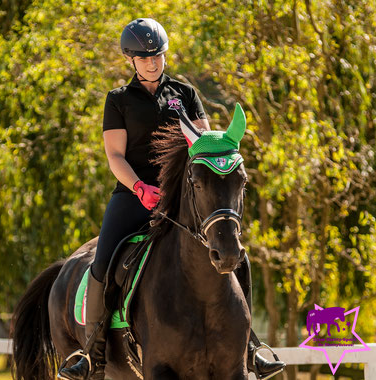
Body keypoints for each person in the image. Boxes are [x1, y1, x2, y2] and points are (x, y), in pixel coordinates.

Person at [58, 18, 285, 380]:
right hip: (135, 195)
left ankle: (251, 346)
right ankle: (93, 350)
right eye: (144, 58)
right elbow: (115, 156)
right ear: (130, 60)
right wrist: (139, 187)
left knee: (235, 255)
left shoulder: (185, 93)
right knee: (102, 263)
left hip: (184, 195)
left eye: (158, 56)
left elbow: (203, 147)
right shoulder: (118, 100)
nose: (153, 63)